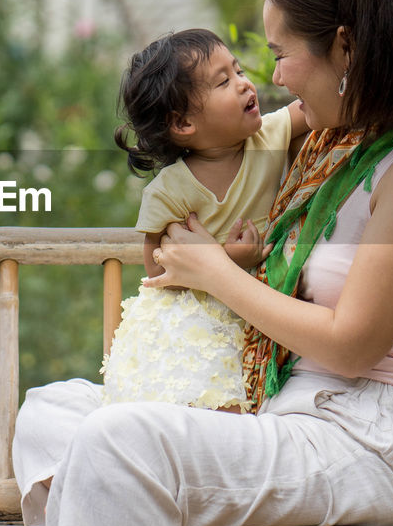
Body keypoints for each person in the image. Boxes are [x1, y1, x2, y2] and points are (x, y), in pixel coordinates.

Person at [11, 0, 393, 526]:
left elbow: (353, 342)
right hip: (279, 407)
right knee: (50, 410)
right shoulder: (329, 138)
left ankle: (129, 503)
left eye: (283, 52)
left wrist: (210, 272)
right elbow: (213, 154)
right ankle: (130, 502)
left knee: (117, 441)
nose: (274, 75)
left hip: (363, 438)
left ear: (344, 45)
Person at [103, 28, 304, 410]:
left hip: (259, 311)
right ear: (182, 124)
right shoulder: (170, 190)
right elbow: (157, 271)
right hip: (194, 320)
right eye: (224, 81)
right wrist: (230, 261)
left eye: (240, 70)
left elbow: (318, 106)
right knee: (203, 396)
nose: (246, 85)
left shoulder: (270, 136)